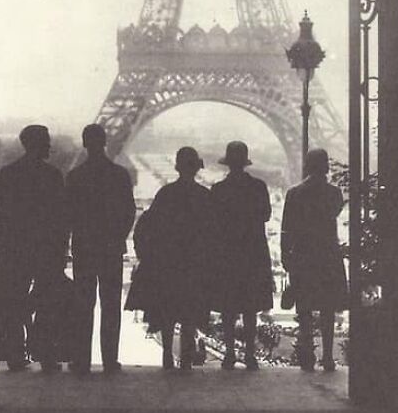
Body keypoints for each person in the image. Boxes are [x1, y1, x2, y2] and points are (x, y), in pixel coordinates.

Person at [0, 124, 67, 372]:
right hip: (45, 248)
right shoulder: (53, 176)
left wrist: (5, 244)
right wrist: (61, 248)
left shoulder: (8, 174)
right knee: (47, 303)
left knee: (15, 300)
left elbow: (0, 215)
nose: (50, 145)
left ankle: (16, 353)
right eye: (46, 141)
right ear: (37, 144)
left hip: (17, 247)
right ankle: (45, 353)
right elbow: (60, 217)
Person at [65, 123, 136, 375]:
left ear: (85, 143)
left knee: (83, 305)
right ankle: (110, 360)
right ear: (105, 142)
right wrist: (117, 237)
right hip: (110, 248)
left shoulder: (75, 177)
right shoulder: (119, 175)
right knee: (111, 306)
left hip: (84, 247)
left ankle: (82, 360)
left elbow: (68, 214)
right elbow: (129, 212)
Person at [143, 146, 213, 371]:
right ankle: (186, 357)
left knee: (168, 310)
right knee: (190, 312)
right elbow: (212, 231)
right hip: (194, 262)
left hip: (170, 261)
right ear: (196, 169)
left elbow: (150, 225)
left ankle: (167, 354)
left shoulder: (166, 194)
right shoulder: (204, 196)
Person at [280, 147, 348, 371]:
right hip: (328, 254)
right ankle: (327, 356)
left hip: (303, 254)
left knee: (304, 306)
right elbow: (334, 212)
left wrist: (285, 254)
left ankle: (307, 353)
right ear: (326, 166)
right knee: (328, 308)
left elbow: (287, 228)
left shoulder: (294, 194)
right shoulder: (334, 194)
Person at [210, 141, 273, 370]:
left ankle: (229, 353)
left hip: (227, 253)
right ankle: (249, 354)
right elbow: (266, 215)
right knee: (250, 307)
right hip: (252, 252)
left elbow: (213, 222)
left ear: (228, 163)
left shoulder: (218, 190)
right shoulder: (258, 187)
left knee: (228, 307)